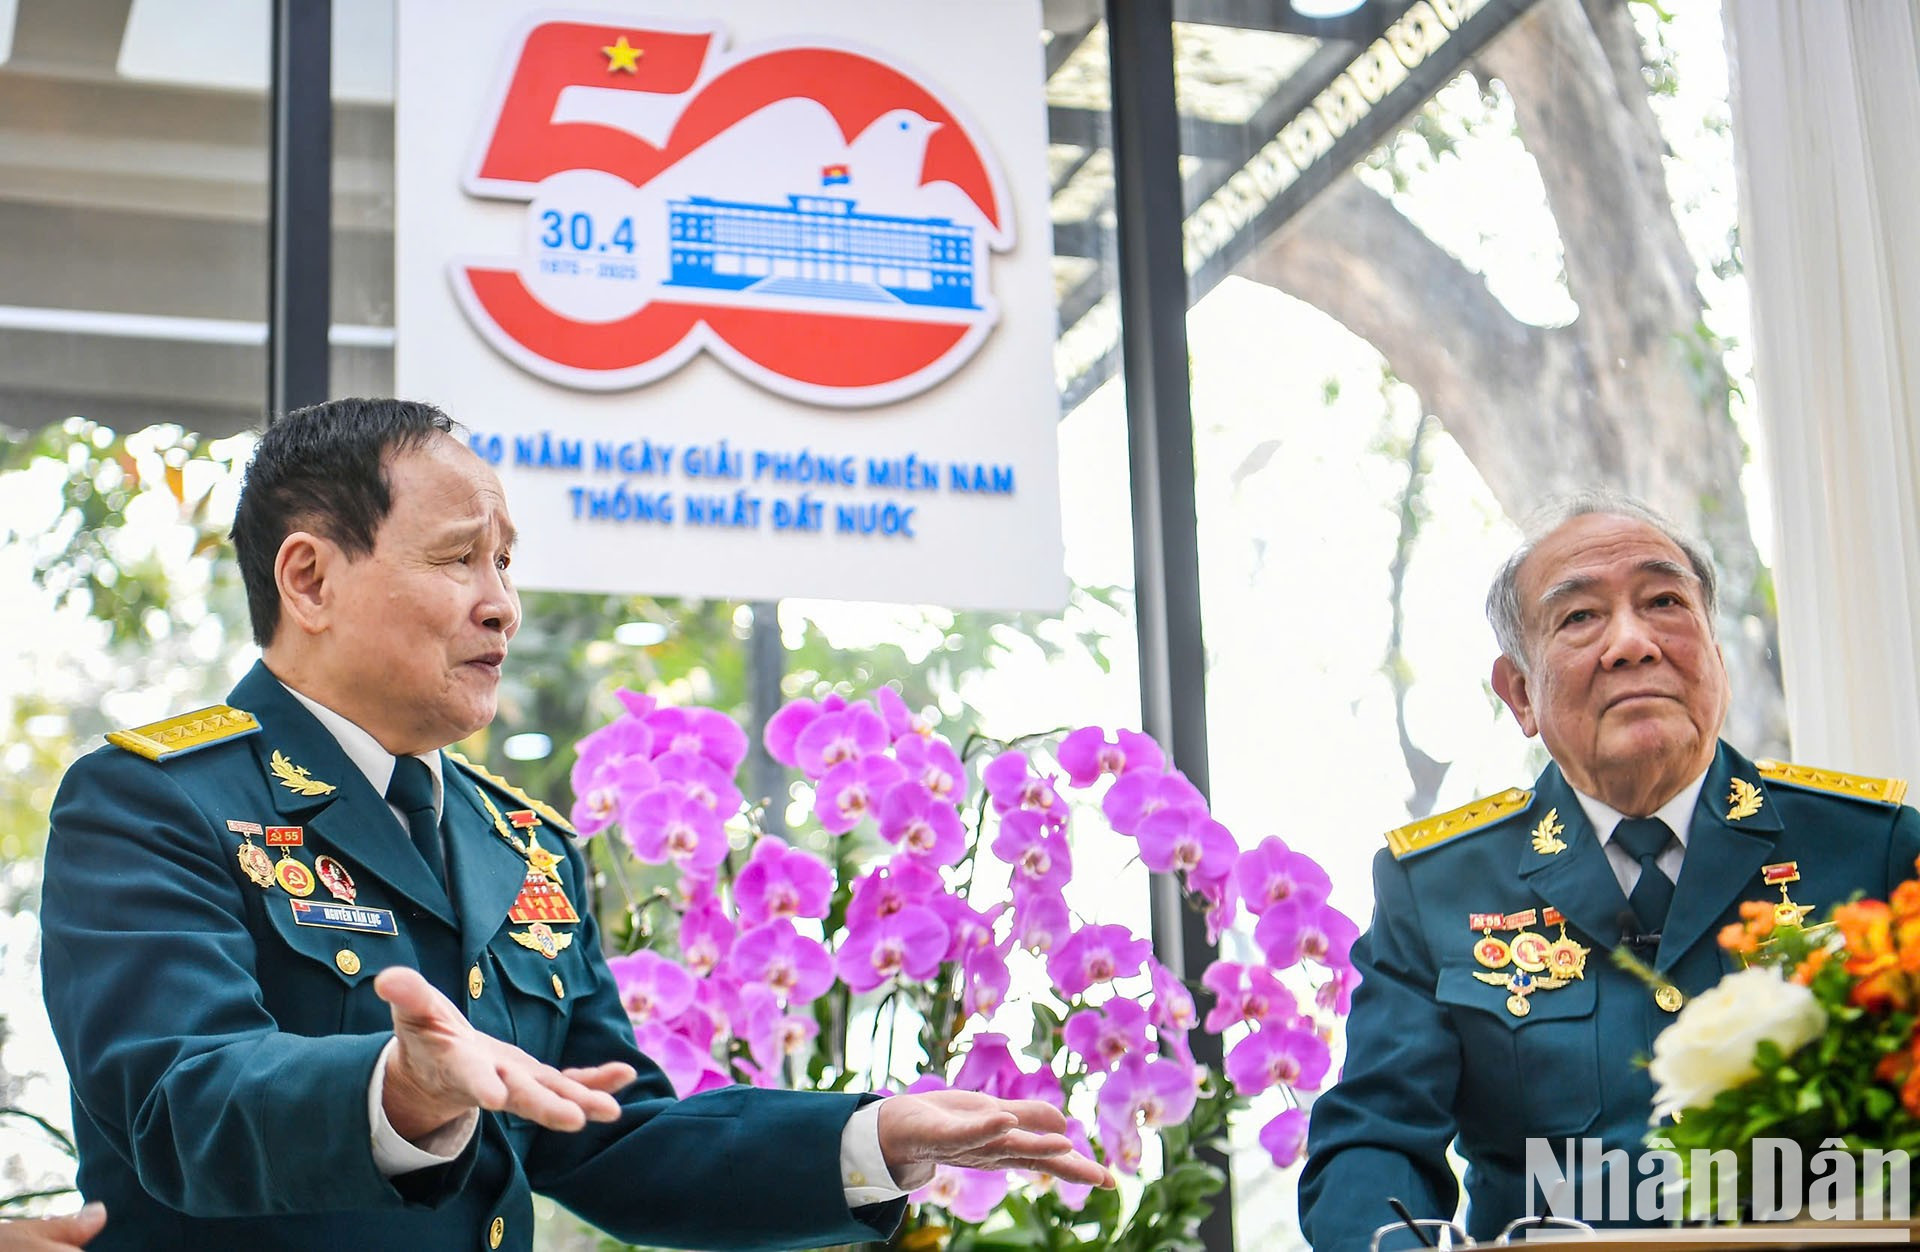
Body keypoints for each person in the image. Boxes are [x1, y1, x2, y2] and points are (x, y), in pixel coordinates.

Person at [39, 398, 1110, 1252]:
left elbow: (611, 1133)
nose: (502, 601)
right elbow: (180, 1097)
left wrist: (867, 1136)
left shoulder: (522, 845)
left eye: (506, 563)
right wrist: (397, 1090)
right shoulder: (154, 800)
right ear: (310, 578)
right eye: (461, 557)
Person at [1298, 490, 1920, 1249]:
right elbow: (1374, 1139)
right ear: (1521, 693)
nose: (1631, 642)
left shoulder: (1873, 848)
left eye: (1664, 601)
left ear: (1716, 657)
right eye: (1580, 617)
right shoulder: (1436, 888)